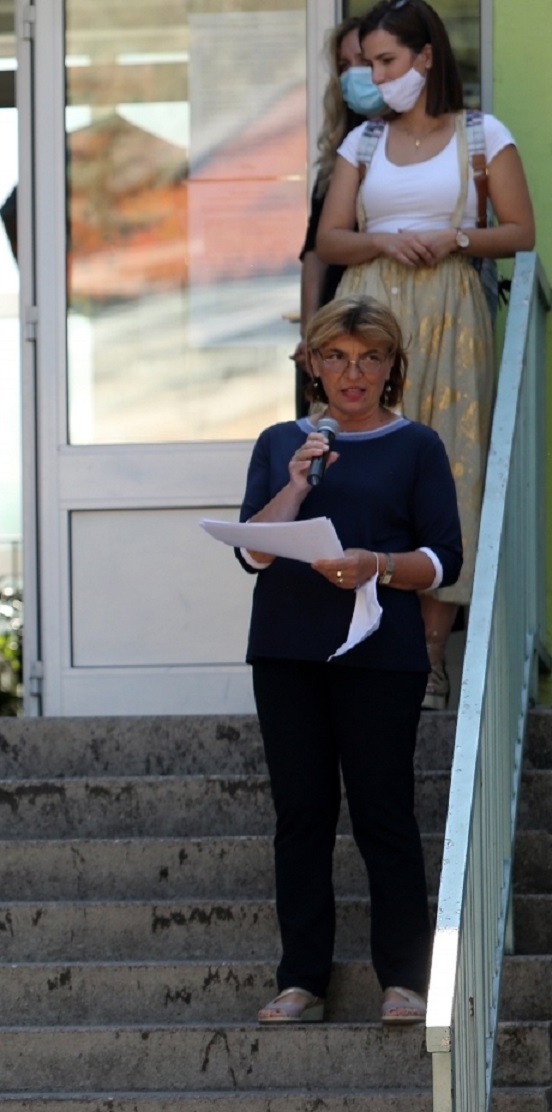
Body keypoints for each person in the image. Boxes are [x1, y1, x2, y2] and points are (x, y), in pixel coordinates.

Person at [236, 297, 462, 1027]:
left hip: (380, 653)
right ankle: (302, 979)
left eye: (369, 358)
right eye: (335, 356)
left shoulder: (417, 445)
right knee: (301, 813)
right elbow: (252, 549)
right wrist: (299, 481)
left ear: (393, 365)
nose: (352, 373)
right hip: (286, 648)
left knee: (383, 813)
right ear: (311, 363)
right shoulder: (280, 442)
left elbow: (442, 558)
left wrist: (377, 565)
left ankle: (404, 979)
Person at [314, 0, 535, 709]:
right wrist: (383, 240)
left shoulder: (481, 136)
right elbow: (330, 239)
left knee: (450, 471)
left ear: (426, 57)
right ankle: (361, 636)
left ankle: (431, 658)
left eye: (387, 61)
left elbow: (521, 231)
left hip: (451, 313)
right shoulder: (364, 144)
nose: (375, 76)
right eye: (369, 63)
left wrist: (455, 239)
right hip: (373, 314)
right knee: (363, 468)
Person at [296, 17, 375, 417]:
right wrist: (310, 331)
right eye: (344, 67)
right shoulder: (340, 151)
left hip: (382, 313)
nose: (354, 75)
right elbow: (315, 251)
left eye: (364, 61)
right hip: (335, 314)